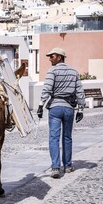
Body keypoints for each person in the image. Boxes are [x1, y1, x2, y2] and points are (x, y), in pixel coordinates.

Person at [36, 47, 86, 179]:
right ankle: (68, 166)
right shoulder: (74, 72)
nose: (50, 59)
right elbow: (80, 91)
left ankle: (55, 167)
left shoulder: (52, 71)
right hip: (69, 108)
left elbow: (47, 88)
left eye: (52, 56)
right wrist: (81, 109)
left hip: (56, 108)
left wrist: (41, 105)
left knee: (54, 137)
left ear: (59, 57)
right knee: (67, 137)